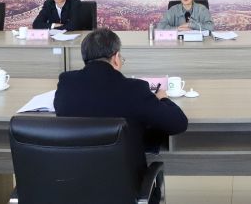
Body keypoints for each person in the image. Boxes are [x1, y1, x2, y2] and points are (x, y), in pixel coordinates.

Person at [54, 28, 188, 200]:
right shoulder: (135, 89)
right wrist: (162, 99)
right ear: (116, 58)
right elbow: (178, 124)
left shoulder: (66, 83)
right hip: (125, 191)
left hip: (73, 187)